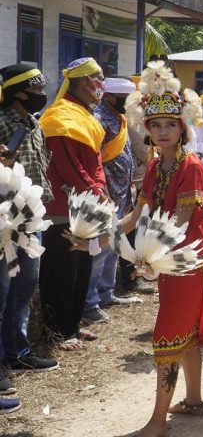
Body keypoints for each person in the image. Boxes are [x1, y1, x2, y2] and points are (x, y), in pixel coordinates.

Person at [118, 60, 203, 437]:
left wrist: (151, 254)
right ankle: (195, 401)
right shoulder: (153, 167)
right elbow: (137, 214)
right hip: (166, 260)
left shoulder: (193, 166)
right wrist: (101, 234)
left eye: (170, 124)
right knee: (184, 333)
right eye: (156, 125)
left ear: (182, 128)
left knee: (168, 334)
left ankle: (157, 421)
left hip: (186, 259)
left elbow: (183, 217)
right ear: (147, 129)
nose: (163, 131)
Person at [37, 57, 107, 351]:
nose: (100, 84)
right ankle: (58, 329)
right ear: (83, 81)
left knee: (81, 268)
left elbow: (97, 161)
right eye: (97, 78)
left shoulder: (84, 114)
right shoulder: (58, 117)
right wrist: (94, 188)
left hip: (86, 203)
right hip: (63, 207)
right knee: (61, 271)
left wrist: (99, 187)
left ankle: (73, 325)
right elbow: (66, 164)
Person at [0, 65, 59, 407]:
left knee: (25, 288)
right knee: (3, 291)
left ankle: (18, 350)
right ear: (20, 91)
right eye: (37, 86)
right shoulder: (3, 121)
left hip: (32, 215)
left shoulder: (33, 123)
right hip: (6, 218)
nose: (42, 91)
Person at [83, 76, 140, 326]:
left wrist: (131, 184)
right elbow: (95, 160)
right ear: (109, 97)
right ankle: (90, 302)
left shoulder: (120, 117)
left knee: (113, 247)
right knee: (99, 251)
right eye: (124, 99)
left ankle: (107, 293)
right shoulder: (98, 119)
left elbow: (124, 155)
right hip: (104, 194)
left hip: (122, 191)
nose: (128, 104)